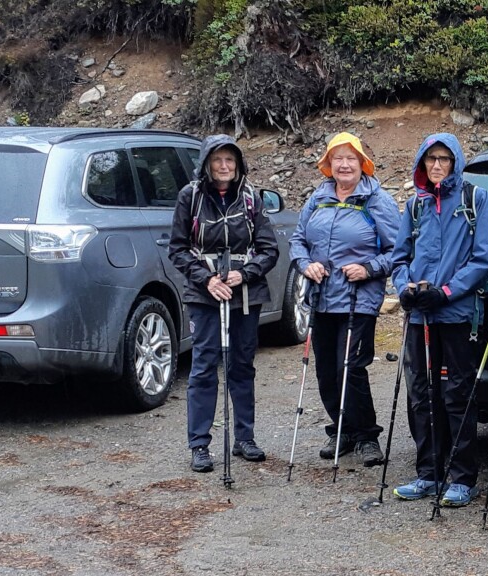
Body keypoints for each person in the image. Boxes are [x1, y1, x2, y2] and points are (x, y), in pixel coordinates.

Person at [391, 133, 488, 507]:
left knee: (457, 395)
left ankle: (462, 477)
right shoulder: (415, 205)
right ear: (422, 163)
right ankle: (428, 474)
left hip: (456, 316)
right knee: (422, 394)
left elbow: (483, 259)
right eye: (430, 159)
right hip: (420, 316)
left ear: (455, 162)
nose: (437, 165)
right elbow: (399, 258)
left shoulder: (474, 199)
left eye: (444, 159)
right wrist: (404, 288)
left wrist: (448, 292)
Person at [289, 132, 400, 466]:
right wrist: (307, 265)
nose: (344, 164)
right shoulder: (318, 197)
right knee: (325, 370)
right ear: (329, 164)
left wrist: (368, 268)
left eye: (351, 158)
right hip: (322, 297)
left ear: (361, 163)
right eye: (337, 158)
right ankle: (343, 429)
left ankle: (367, 435)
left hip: (358, 299)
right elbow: (298, 240)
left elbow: (399, 250)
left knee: (349, 367)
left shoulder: (376, 199)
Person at [169, 134, 279, 472]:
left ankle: (244, 438)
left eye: (230, 160)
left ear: (238, 163)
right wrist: (207, 279)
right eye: (217, 160)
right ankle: (199, 445)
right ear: (206, 164)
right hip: (205, 294)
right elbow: (178, 248)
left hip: (245, 294)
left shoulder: (251, 199)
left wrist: (244, 274)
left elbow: (269, 248)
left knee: (242, 365)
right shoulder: (190, 197)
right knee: (203, 367)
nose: (224, 166)